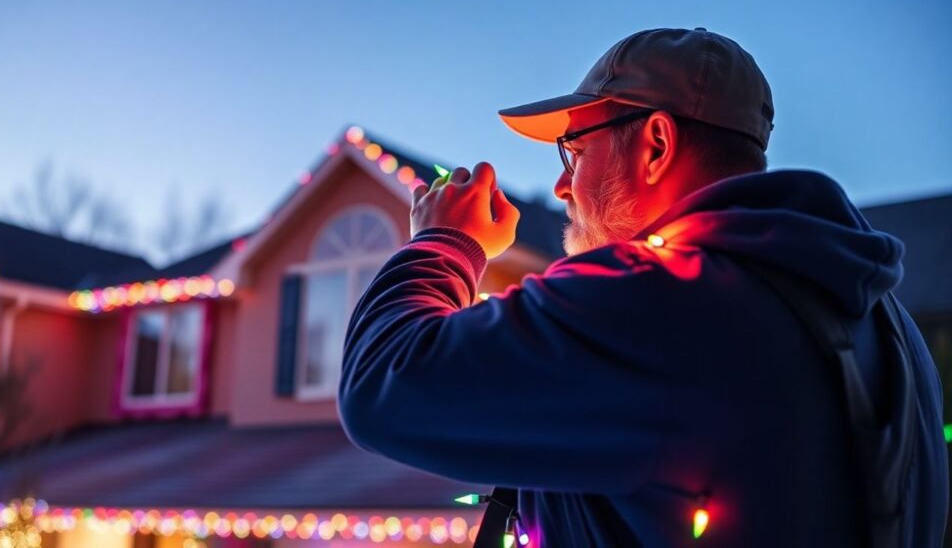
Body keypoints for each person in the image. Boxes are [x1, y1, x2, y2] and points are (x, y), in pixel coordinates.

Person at [338, 27, 948, 546]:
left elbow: (382, 385)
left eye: (572, 152)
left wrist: (444, 243)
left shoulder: (663, 301)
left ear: (655, 143)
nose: (561, 187)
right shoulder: (884, 325)